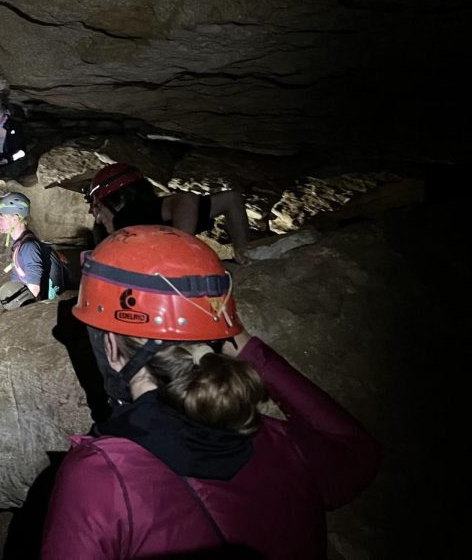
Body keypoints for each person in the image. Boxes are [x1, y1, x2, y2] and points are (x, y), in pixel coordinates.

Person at [42, 226, 379, 559]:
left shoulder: (100, 475)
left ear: (111, 346)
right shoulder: (280, 442)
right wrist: (245, 345)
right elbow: (358, 454)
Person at [87, 162, 252, 262]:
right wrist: (244, 254)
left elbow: (186, 200)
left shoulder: (128, 218)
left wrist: (179, 249)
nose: (99, 220)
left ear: (117, 200)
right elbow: (231, 199)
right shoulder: (154, 213)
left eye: (97, 207)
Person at [0, 192, 45, 300]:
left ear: (15, 219)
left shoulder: (28, 247)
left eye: (1, 216)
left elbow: (34, 288)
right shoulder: (20, 244)